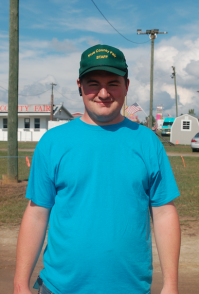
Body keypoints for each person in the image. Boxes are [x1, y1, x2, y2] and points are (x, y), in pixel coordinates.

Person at [14, 44, 181, 294]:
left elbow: (164, 213)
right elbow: (37, 212)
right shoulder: (53, 142)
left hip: (130, 288)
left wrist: (171, 285)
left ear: (126, 85)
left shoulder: (147, 142)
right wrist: (19, 284)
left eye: (113, 83)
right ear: (79, 85)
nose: (103, 93)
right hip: (59, 287)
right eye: (93, 83)